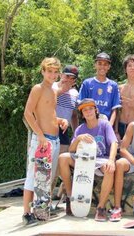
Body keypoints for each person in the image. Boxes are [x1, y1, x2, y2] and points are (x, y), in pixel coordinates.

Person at [22, 57, 69, 226]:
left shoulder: (54, 90)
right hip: (41, 141)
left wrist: (61, 120)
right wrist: (40, 135)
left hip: (54, 141)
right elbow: (27, 113)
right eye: (49, 71)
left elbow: (49, 115)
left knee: (45, 179)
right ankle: (26, 214)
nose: (53, 74)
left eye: (56, 72)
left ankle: (41, 210)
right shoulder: (38, 88)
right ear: (43, 71)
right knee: (32, 177)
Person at [58, 98, 118, 221]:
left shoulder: (104, 124)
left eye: (90, 108)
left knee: (109, 169)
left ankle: (101, 208)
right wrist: (79, 138)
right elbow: (71, 150)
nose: (88, 112)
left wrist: (111, 160)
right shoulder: (80, 129)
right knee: (63, 158)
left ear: (96, 110)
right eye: (85, 110)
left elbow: (114, 143)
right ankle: (70, 197)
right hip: (83, 158)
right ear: (82, 114)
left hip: (100, 159)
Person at [52, 65, 79, 200]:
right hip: (49, 130)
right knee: (48, 167)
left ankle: (52, 198)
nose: (68, 79)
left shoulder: (75, 93)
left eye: (72, 78)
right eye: (66, 76)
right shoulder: (52, 87)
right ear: (61, 75)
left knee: (59, 167)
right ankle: (45, 200)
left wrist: (76, 133)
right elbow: (45, 105)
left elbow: (74, 115)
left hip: (64, 132)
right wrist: (61, 90)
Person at [78, 52, 121, 125]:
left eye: (105, 64)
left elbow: (115, 109)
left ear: (109, 67)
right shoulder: (87, 83)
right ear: (95, 65)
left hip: (106, 124)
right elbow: (81, 106)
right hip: (89, 124)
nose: (102, 67)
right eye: (100, 63)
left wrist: (110, 125)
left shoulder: (113, 85)